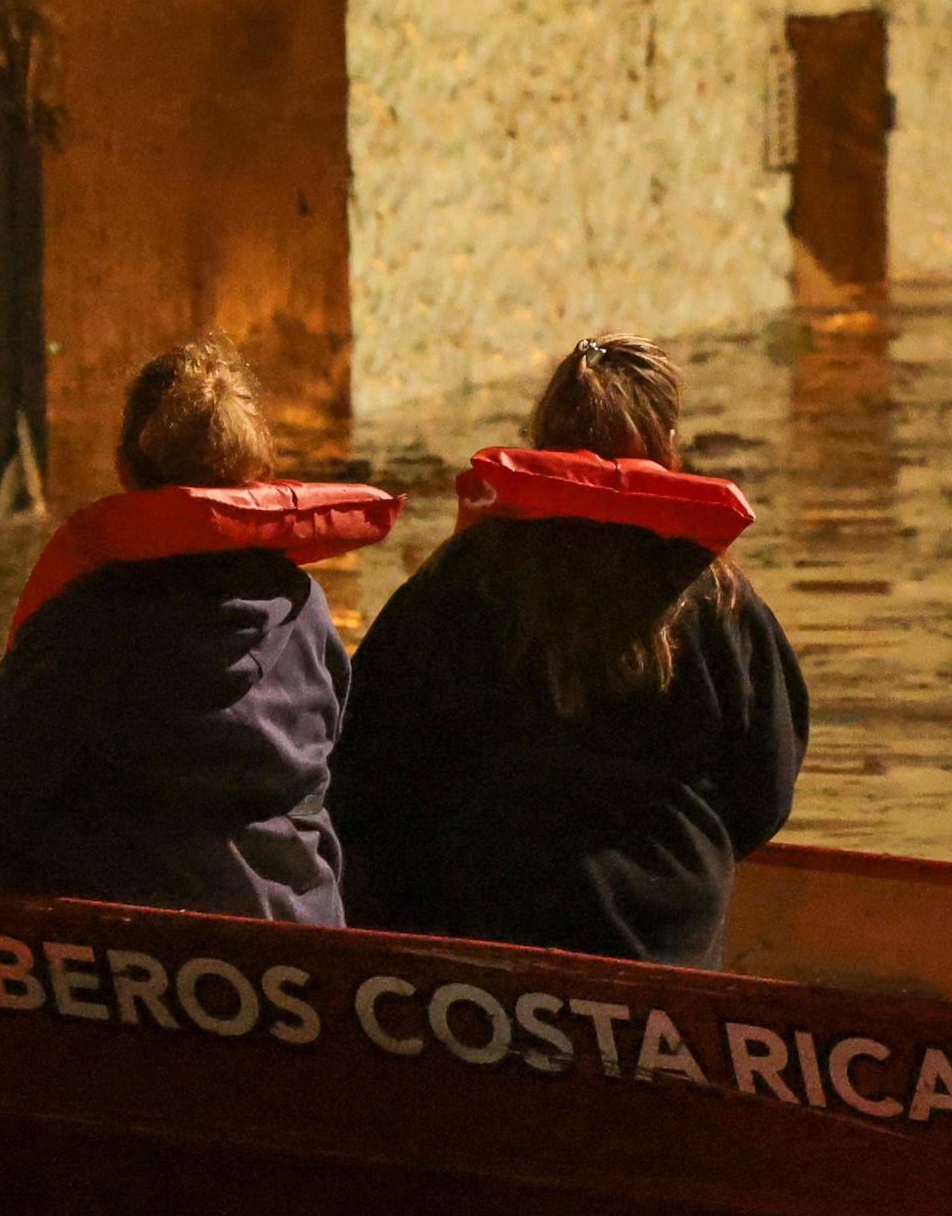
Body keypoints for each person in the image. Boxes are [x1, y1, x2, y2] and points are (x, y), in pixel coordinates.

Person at [332, 336, 809, 967]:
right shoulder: (717, 597)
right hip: (664, 942)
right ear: (667, 446)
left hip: (479, 929)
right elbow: (765, 792)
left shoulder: (461, 578)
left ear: (542, 440)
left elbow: (363, 764)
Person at [0, 336, 398, 920]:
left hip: (139, 940)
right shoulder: (305, 610)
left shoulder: (84, 625)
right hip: (294, 923)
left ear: (124, 468)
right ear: (261, 473)